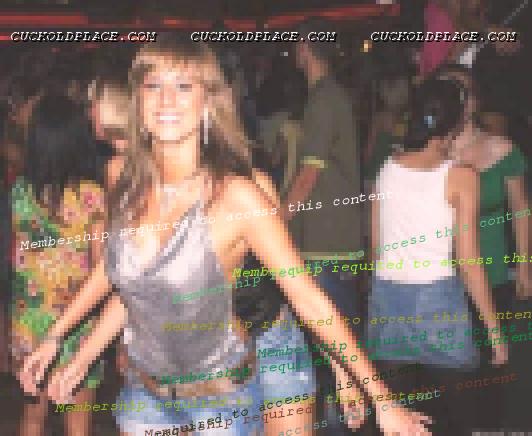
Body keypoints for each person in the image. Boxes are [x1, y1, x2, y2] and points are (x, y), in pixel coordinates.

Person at [18, 36, 431, 436]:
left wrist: (381, 398)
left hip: (221, 397)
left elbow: (306, 297)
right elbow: (127, 280)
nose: (166, 99)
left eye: (184, 86)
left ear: (207, 103)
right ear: (137, 102)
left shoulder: (238, 195)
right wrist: (64, 341)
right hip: (144, 398)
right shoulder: (121, 181)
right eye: (154, 85)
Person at [367, 76, 508, 435]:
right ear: (456, 124)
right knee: (459, 417)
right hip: (436, 302)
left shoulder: (388, 167)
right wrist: (494, 330)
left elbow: (376, 248)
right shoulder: (461, 177)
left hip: (388, 301)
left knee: (402, 420)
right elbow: (469, 262)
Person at [436, 64, 530, 431]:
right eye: (448, 92)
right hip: (443, 280)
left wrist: (524, 264)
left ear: (475, 100)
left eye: (463, 92)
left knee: (494, 368)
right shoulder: (431, 153)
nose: (457, 101)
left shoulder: (501, 149)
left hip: (493, 274)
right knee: (451, 377)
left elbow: (521, 208)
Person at [11, 95, 105, 436]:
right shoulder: (91, 195)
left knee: (32, 418)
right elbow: (102, 266)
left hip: (29, 318)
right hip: (78, 320)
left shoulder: (21, 191)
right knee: (77, 423)